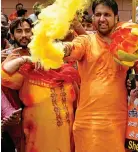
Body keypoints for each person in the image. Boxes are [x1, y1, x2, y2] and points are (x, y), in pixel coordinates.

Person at [62, 0, 138, 152]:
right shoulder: (86, 41)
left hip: (118, 122)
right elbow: (72, 48)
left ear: (116, 18)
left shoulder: (127, 44)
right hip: (88, 123)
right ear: (92, 18)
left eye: (107, 15)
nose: (102, 19)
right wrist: (63, 48)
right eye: (98, 14)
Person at [1, 17, 81, 152]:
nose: (24, 35)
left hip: (65, 132)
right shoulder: (16, 59)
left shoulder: (60, 63)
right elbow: (4, 76)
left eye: (28, 30)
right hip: (35, 133)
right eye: (19, 31)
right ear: (12, 35)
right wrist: (25, 59)